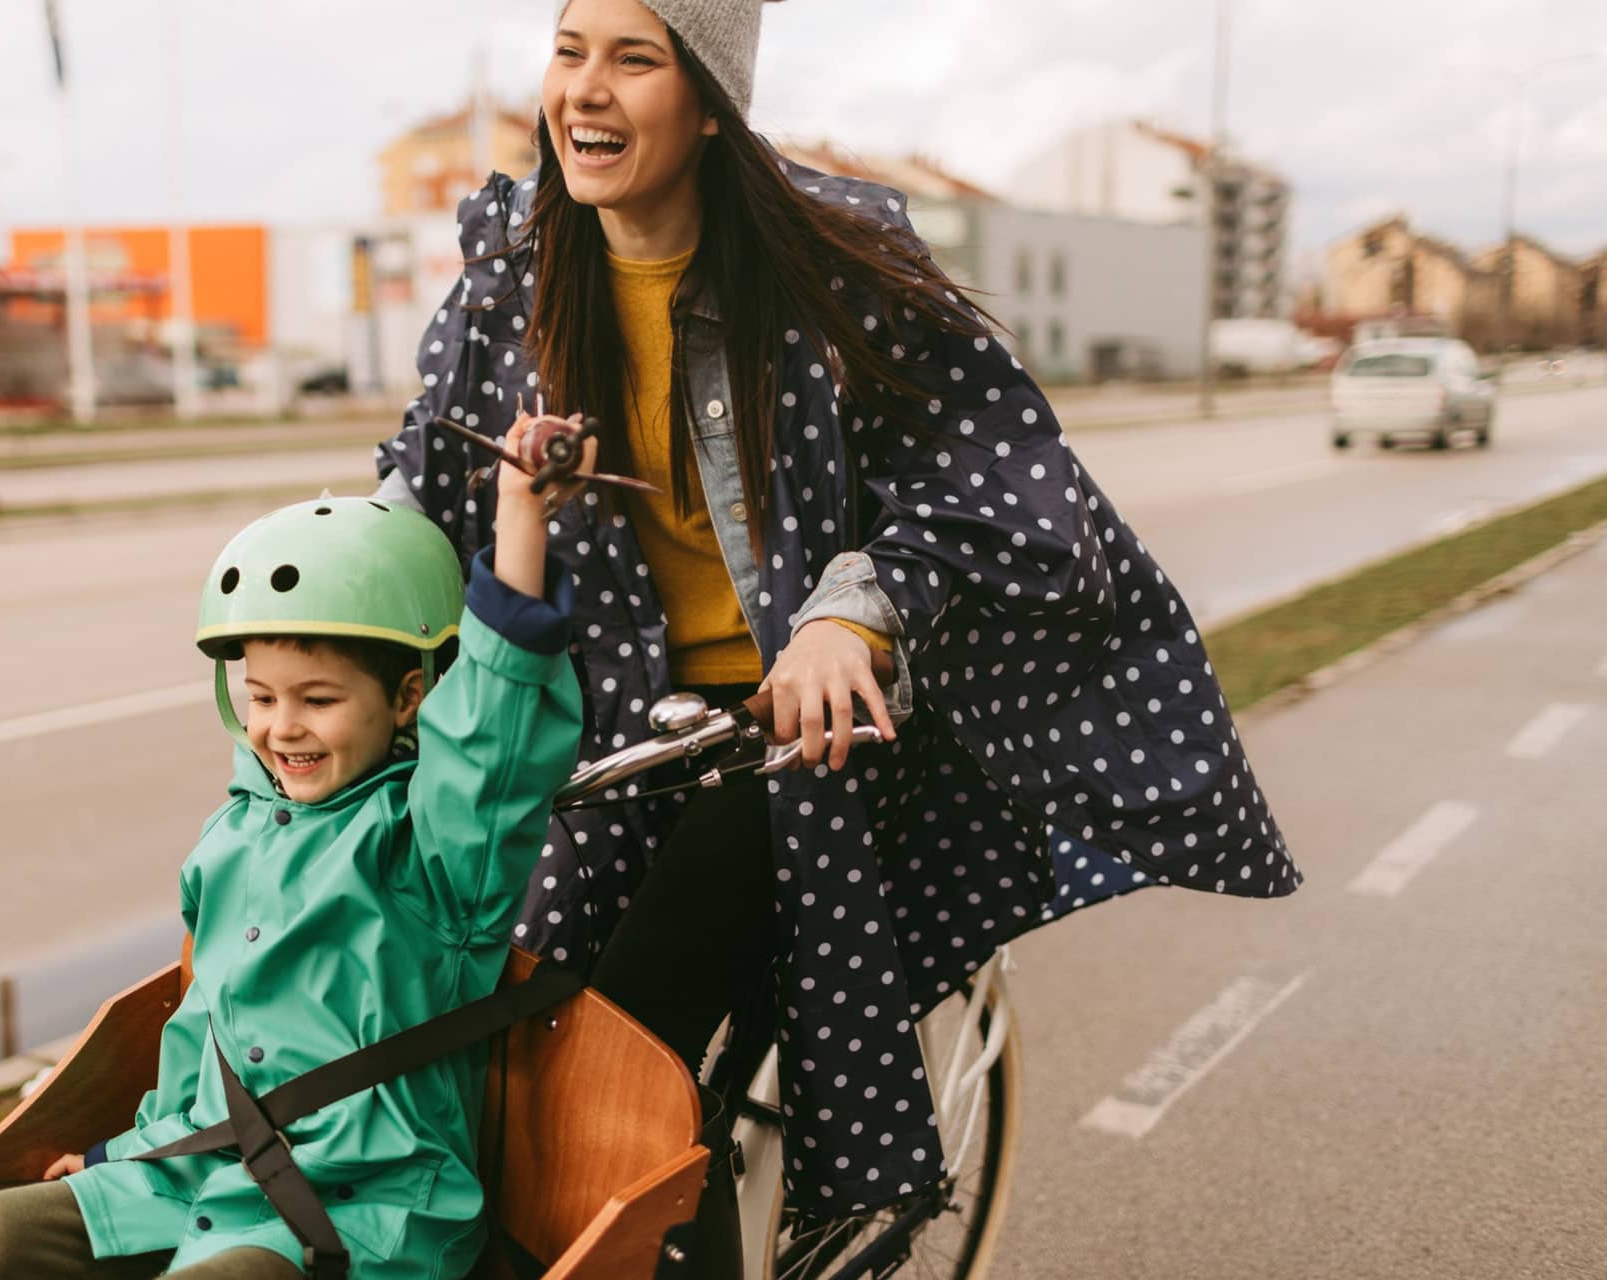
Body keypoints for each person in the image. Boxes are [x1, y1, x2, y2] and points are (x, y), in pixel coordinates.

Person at [376, 0, 1302, 1271]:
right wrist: (316, 613)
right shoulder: (512, 276)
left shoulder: (826, 267)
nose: (584, 91)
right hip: (598, 734)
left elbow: (1000, 477)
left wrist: (848, 613)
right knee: (497, 1040)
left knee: (625, 1065)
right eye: (568, 51)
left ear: (708, 100)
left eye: (633, 59)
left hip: (795, 735)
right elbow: (423, 483)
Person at [0, 422, 584, 1279]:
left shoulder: (433, 849)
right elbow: (206, 1030)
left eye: (318, 699)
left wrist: (519, 512)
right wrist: (125, 1154)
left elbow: (492, 739)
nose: (281, 727)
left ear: (408, 697)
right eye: (262, 696)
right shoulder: (232, 836)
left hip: (368, 1203)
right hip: (199, 1169)